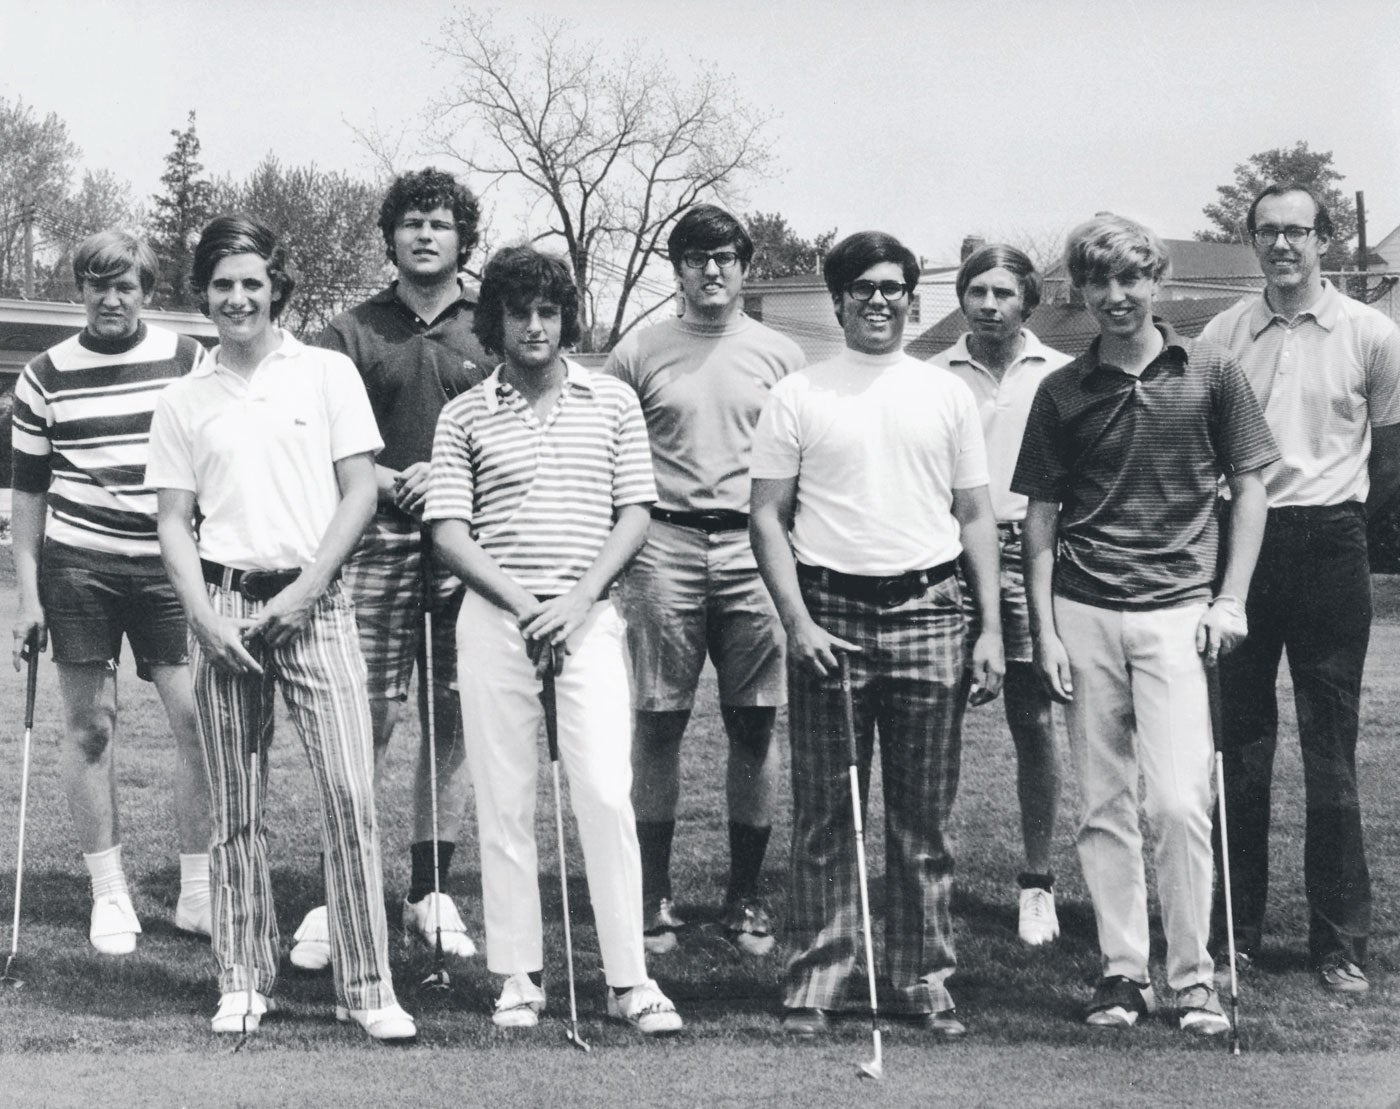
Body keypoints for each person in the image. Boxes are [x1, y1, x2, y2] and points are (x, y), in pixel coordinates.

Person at [148, 215, 414, 1042]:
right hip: (225, 610)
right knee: (235, 805)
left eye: (251, 283)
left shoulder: (327, 373)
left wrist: (307, 588)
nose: (237, 298)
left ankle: (367, 983)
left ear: (277, 289)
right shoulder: (185, 397)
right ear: (204, 292)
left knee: (348, 795)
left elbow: (362, 493)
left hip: (316, 604)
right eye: (222, 284)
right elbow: (172, 521)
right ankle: (242, 976)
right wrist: (201, 615)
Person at [1014, 214, 1278, 1035]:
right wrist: (1046, 632)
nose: (1117, 297)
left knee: (1176, 800)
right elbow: (1041, 520)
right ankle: (1123, 970)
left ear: (1155, 281)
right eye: (1100, 283)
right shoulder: (1061, 390)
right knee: (1104, 805)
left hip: (1178, 613)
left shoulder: (1214, 371)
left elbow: (1252, 487)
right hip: (1085, 611)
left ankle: (1193, 974)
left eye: (1132, 280)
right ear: (1080, 292)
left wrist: (1230, 598)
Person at [749, 230, 1004, 1039]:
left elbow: (974, 516)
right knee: (826, 815)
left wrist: (990, 628)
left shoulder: (946, 395)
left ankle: (921, 978)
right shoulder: (800, 393)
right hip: (831, 615)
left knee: (922, 820)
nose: (879, 299)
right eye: (862, 287)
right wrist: (798, 621)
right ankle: (817, 980)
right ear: (839, 301)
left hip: (931, 610)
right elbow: (766, 513)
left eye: (893, 287)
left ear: (913, 299)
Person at [425, 245, 683, 1036]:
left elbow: (634, 513)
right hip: (496, 618)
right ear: (496, 322)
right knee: (506, 801)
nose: (535, 327)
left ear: (565, 318)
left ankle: (628, 978)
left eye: (548, 312)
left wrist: (573, 601)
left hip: (589, 615)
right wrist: (524, 603)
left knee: (605, 791)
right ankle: (518, 977)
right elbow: (447, 528)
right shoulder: (465, 411)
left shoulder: (611, 402)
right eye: (519, 313)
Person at [1199, 183, 1400, 993]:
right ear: (1253, 243)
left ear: (1325, 243)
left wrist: (1346, 527)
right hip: (1240, 548)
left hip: (1329, 544)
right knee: (1238, 752)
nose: (1283, 246)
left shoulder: (1372, 334)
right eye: (1269, 233)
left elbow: (1388, 460)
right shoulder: (1221, 335)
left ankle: (1339, 941)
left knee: (1331, 752)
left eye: (1298, 232)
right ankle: (1232, 935)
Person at [290, 168, 489, 971]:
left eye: (439, 222)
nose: (425, 234)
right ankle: (343, 886)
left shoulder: (494, 325)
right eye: (410, 222)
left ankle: (427, 890)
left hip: (467, 545)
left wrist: (450, 486)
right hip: (372, 541)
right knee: (363, 718)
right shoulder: (349, 329)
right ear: (391, 236)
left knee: (454, 716)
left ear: (461, 238)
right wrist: (384, 477)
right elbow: (319, 442)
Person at [605, 205, 805, 956]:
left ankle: (746, 896)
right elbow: (610, 453)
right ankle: (654, 893)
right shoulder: (640, 350)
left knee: (754, 722)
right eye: (695, 257)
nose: (711, 270)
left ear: (745, 264)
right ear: (677, 268)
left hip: (755, 545)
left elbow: (800, 463)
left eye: (724, 256)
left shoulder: (781, 354)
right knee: (659, 720)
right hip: (666, 544)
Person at [10, 230, 212, 956]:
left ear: (147, 290)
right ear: (80, 290)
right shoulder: (43, 374)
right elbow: (28, 495)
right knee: (91, 727)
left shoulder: (189, 360)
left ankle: (197, 892)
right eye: (97, 284)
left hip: (170, 566)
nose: (110, 297)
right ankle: (110, 893)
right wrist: (28, 597)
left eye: (125, 284)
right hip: (79, 568)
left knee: (197, 722)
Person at [931, 244, 1072, 946]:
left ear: (1028, 301)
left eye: (1003, 293)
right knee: (934, 726)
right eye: (976, 291)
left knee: (1033, 719)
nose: (989, 304)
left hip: (1031, 552)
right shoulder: (929, 375)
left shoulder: (1064, 375)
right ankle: (930, 877)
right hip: (942, 557)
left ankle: (1038, 882)